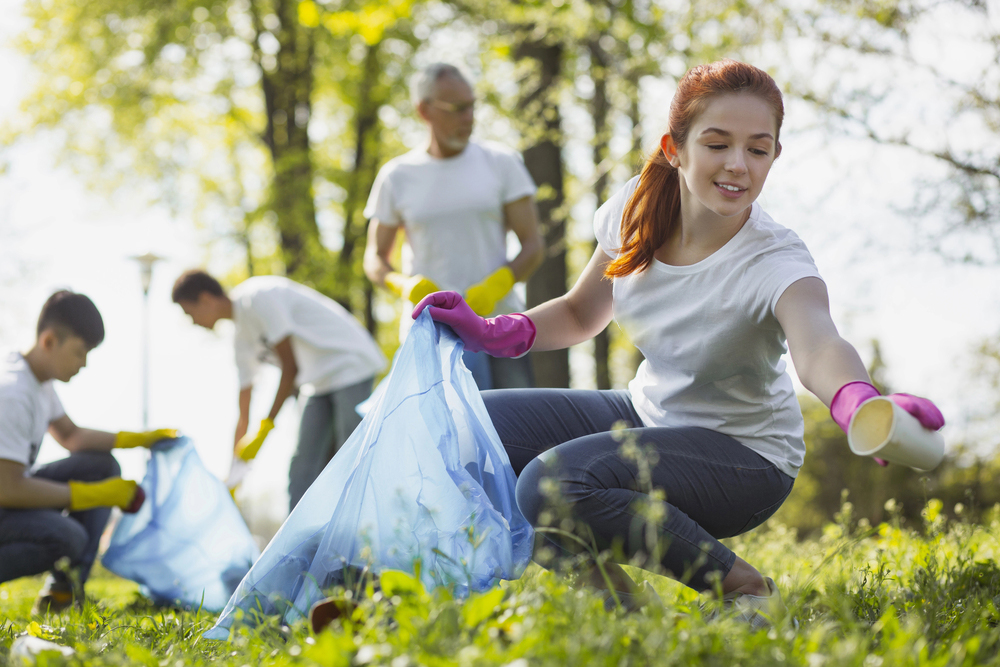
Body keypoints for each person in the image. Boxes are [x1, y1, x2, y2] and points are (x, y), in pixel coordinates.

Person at [413, 60, 945, 627]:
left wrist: (857, 400)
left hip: (746, 458)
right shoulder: (637, 208)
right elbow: (579, 311)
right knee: (461, 425)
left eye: (758, 150)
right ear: (675, 147)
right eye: (718, 144)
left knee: (553, 482)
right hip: (650, 413)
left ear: (774, 157)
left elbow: (818, 346)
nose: (738, 165)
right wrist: (492, 330)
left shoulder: (776, 260)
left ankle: (747, 589)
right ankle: (626, 616)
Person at [363, 62, 545, 390]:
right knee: (444, 439)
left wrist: (496, 286)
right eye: (457, 108)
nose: (469, 117)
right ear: (424, 110)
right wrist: (403, 285)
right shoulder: (397, 176)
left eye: (472, 106)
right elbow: (374, 259)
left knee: (517, 435)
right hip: (430, 334)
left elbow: (533, 245)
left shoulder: (502, 163)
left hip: (499, 330)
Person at [0, 291, 173, 613]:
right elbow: (7, 489)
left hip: (8, 493)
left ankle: (64, 593)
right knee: (67, 537)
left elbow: (72, 436)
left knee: (100, 465)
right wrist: (92, 495)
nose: (84, 364)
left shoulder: (38, 381)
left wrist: (137, 439)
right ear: (50, 341)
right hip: (6, 492)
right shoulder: (12, 393)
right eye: (81, 352)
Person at [171, 271, 387, 510]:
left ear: (205, 300)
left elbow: (290, 367)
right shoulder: (241, 336)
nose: (192, 321)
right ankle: (297, 544)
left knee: (352, 454)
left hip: (349, 363)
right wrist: (234, 474)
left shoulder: (258, 297)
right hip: (316, 381)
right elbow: (244, 409)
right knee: (303, 464)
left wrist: (266, 426)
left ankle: (362, 535)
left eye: (189, 313)